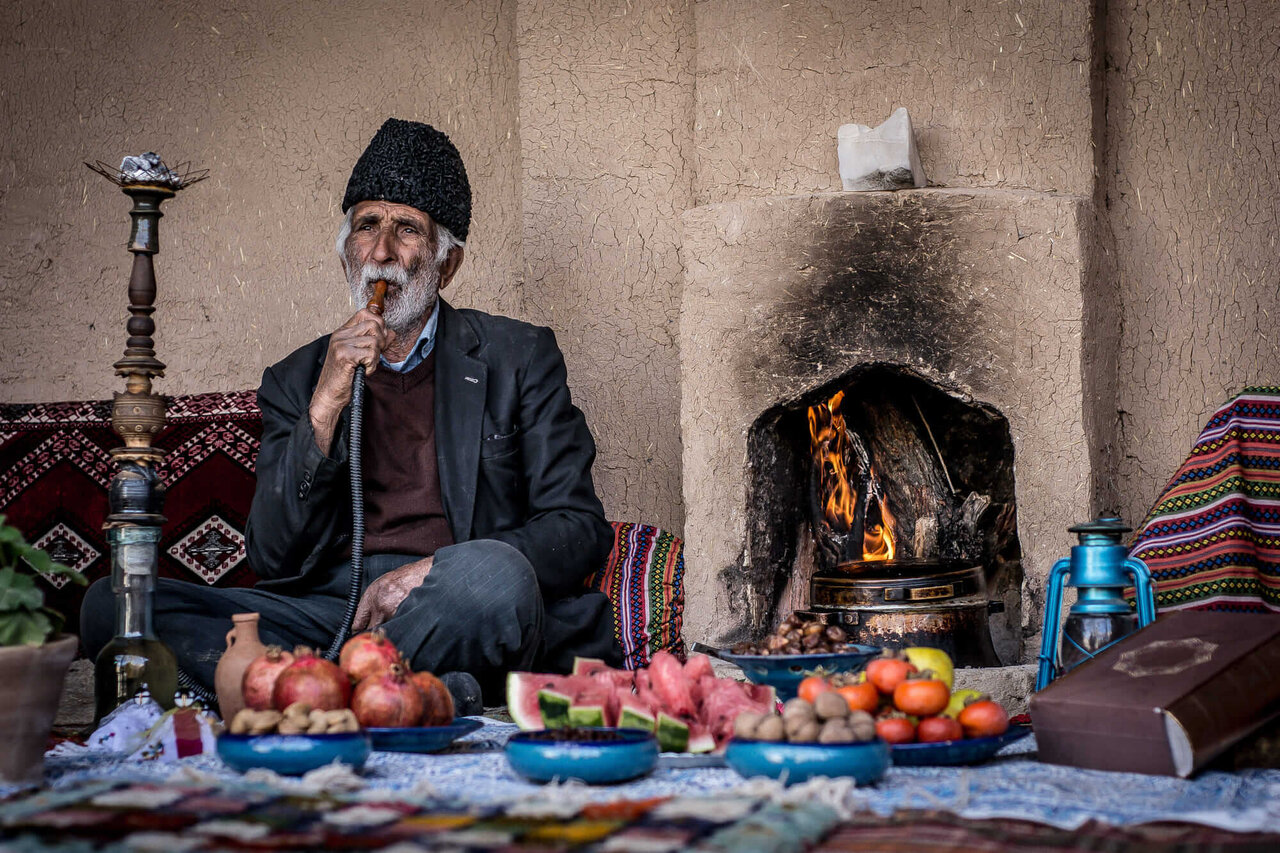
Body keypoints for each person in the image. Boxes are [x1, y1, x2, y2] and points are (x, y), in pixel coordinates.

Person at [82, 118, 620, 708]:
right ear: (346, 251)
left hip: (453, 601)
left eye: (406, 230)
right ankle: (400, 692)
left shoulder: (516, 356)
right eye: (367, 226)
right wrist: (326, 402)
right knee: (114, 603)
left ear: (448, 264)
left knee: (497, 576)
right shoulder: (296, 379)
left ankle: (321, 692)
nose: (382, 253)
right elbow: (272, 556)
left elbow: (575, 528)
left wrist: (431, 572)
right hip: (330, 613)